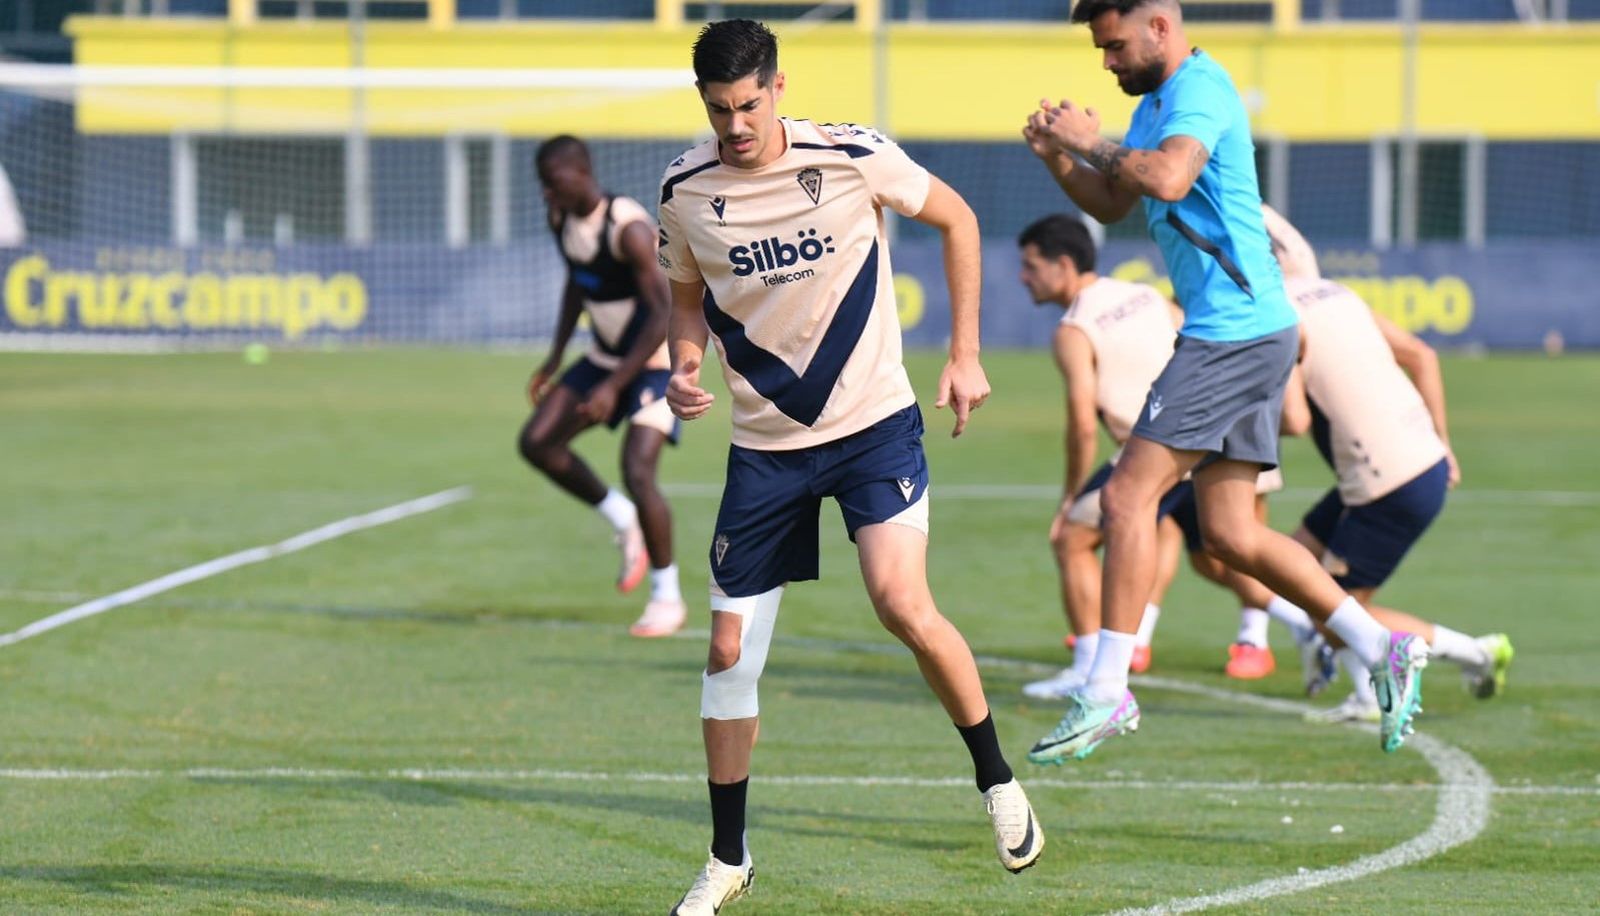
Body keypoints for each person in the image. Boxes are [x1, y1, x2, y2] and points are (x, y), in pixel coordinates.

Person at [657, 20, 1043, 914]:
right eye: (720, 111)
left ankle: (996, 781)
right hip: (764, 451)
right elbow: (686, 302)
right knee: (724, 652)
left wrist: (967, 352)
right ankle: (727, 860)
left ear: (778, 88)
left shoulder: (852, 156)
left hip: (873, 427)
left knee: (902, 602)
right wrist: (681, 365)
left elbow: (959, 218)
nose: (737, 125)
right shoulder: (683, 189)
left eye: (749, 105)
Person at [1022, 0, 1425, 763]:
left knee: (1125, 496)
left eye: (1113, 46)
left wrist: (1090, 139)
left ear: (1159, 26)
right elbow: (1117, 198)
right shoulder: (1156, 104)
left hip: (1230, 334)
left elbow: (1168, 179)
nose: (1106, 63)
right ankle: (1381, 649)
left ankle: (1106, 690)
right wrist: (1058, 157)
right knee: (1232, 534)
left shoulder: (1200, 92)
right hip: (1246, 331)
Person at [1014, 215, 1327, 700]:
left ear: (1063, 264)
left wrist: (1070, 495)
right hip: (1209, 436)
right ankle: (1311, 625)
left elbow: (1080, 424)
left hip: (1156, 447)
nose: (1023, 277)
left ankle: (1088, 668)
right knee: (1218, 561)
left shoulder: (1074, 328)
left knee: (1072, 539)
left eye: (1031, 266)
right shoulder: (1145, 295)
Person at [1260, 207, 1514, 722]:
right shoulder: (1334, 292)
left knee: (1335, 611)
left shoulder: (1275, 313)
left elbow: (1295, 420)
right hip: (1413, 463)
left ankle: (1477, 653)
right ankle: (1363, 690)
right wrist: (1444, 443)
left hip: (1387, 481)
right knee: (1293, 558)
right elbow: (1422, 354)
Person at [518, 135, 686, 639]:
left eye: (555, 183)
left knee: (638, 468)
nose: (548, 194)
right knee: (537, 442)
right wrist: (554, 357)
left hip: (654, 362)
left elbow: (663, 313)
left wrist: (614, 386)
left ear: (581, 173)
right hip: (606, 357)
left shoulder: (630, 229)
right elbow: (577, 283)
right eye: (544, 186)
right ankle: (622, 519)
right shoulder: (561, 220)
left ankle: (667, 597)